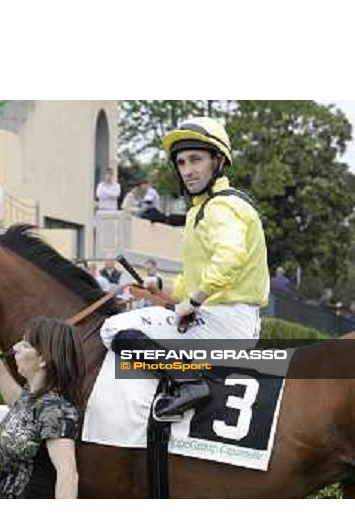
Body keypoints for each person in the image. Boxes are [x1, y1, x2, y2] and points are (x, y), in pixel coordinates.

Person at [101, 116, 269, 417]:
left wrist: (192, 302)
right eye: (181, 162)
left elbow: (229, 258)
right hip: (223, 318)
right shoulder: (201, 209)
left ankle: (188, 385)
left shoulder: (221, 206)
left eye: (196, 160)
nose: (188, 170)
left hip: (224, 323)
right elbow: (198, 278)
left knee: (114, 328)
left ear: (218, 161)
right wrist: (162, 286)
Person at [0, 317, 84, 499]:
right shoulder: (33, 400)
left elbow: (68, 476)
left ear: (43, 359)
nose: (15, 348)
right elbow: (20, 407)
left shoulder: (56, 410)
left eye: (25, 345)